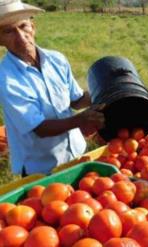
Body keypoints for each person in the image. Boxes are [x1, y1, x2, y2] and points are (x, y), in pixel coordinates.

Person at [0, 0, 105, 176]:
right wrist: (81, 120)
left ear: (33, 27)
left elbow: (76, 100)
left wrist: (108, 92)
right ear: (0, 40)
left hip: (79, 154)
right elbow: (40, 128)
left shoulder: (57, 60)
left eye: (23, 26)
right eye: (8, 31)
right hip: (42, 169)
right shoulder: (6, 78)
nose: (20, 36)